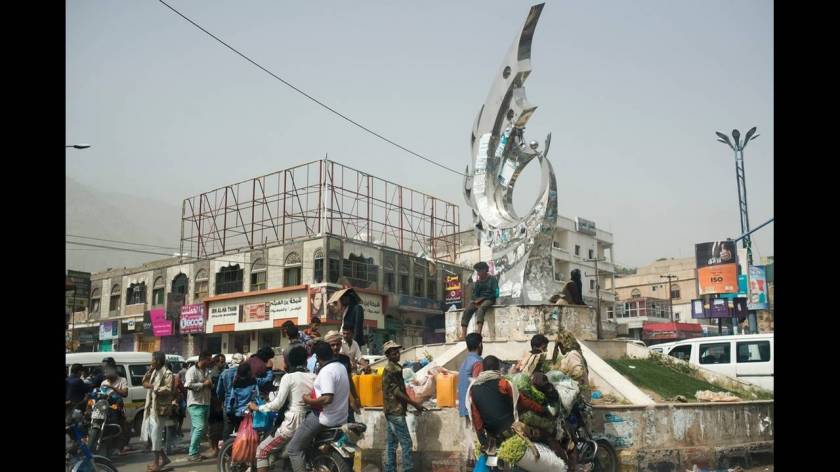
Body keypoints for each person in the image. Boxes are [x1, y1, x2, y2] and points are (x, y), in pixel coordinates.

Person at [248, 346, 316, 472]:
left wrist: (258, 407)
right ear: (305, 361)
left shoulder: (289, 377)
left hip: (293, 423)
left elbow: (277, 404)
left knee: (262, 450)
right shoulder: (314, 376)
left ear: (289, 362)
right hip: (310, 420)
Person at [287, 341, 350, 472]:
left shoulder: (327, 371)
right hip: (341, 416)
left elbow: (327, 398)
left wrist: (308, 400)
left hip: (323, 417)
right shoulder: (340, 366)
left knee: (293, 449)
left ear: (317, 356)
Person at [466, 356, 546, 450]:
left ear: (483, 369)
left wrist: (481, 438)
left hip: (492, 435)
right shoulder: (503, 383)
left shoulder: (473, 390)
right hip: (510, 429)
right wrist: (542, 410)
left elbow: (476, 417)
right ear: (497, 368)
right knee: (546, 436)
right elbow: (523, 401)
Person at [382, 340, 427, 472]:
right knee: (406, 443)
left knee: (392, 443)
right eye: (393, 352)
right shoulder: (392, 369)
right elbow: (397, 392)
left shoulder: (395, 367)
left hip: (391, 410)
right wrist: (415, 404)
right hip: (395, 411)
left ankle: (390, 469)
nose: (397, 353)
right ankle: (408, 469)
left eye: (397, 350)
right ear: (388, 355)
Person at [141, 351, 175, 472]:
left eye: (153, 359)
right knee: (151, 436)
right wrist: (149, 372)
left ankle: (156, 463)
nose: (151, 361)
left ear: (159, 361)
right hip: (151, 408)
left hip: (160, 409)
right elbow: (144, 382)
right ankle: (164, 459)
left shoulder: (167, 373)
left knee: (155, 437)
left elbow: (168, 388)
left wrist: (153, 388)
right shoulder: (154, 371)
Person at [457, 333, 483, 464]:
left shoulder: (464, 362)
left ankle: (470, 462)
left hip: (464, 406)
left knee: (469, 437)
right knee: (477, 438)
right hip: (473, 406)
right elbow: (477, 385)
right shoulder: (477, 362)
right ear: (479, 344)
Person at [324, 330, 361, 422]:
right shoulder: (324, 361)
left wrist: (356, 397)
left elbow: (349, 380)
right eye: (332, 345)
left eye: (338, 344)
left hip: (346, 404)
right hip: (332, 403)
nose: (335, 347)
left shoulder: (345, 359)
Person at [184, 351, 213, 462]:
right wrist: (203, 384)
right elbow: (187, 385)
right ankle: (193, 453)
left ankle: (195, 452)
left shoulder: (206, 371)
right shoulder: (191, 371)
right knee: (200, 427)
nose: (210, 362)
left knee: (199, 429)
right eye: (209, 360)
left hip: (206, 402)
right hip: (196, 403)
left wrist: (209, 384)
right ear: (203, 359)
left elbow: (210, 384)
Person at [459, 262, 498, 340]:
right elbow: (475, 294)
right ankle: (463, 334)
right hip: (479, 300)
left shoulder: (492, 279)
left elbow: (496, 293)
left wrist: (483, 298)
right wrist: (473, 301)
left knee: (481, 309)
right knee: (467, 310)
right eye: (477, 271)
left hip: (489, 299)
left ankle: (478, 334)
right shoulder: (478, 282)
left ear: (485, 270)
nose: (478, 273)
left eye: (479, 271)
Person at [217, 352, 246, 445]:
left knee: (228, 429)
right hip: (241, 405)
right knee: (240, 429)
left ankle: (226, 452)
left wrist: (222, 401)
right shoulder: (245, 373)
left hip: (228, 405)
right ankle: (239, 450)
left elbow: (219, 391)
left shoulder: (224, 373)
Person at [554, 330, 590, 400]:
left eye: (559, 345)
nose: (559, 348)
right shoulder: (573, 354)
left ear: (564, 344)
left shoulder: (572, 354)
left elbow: (578, 372)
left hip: (578, 398)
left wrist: (564, 381)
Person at [207, 354, 227, 458]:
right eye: (221, 361)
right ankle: (214, 449)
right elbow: (213, 391)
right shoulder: (214, 374)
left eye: (223, 361)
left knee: (219, 427)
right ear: (216, 362)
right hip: (214, 403)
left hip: (219, 403)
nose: (222, 363)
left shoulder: (221, 372)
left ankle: (216, 448)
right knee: (214, 428)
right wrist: (217, 404)